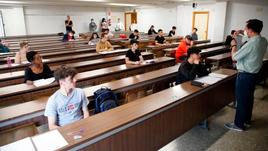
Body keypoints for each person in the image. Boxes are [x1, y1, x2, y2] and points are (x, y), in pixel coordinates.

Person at [224, 19, 268, 132]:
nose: (245, 30)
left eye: (246, 28)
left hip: (245, 75)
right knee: (249, 99)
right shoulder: (263, 40)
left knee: (242, 100)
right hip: (254, 74)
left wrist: (233, 46)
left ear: (251, 30)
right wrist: (241, 33)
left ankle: (238, 124)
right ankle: (247, 120)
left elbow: (235, 57)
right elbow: (249, 39)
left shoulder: (252, 43)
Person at [44, 66, 89, 130]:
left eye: (74, 77)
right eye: (71, 79)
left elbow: (86, 112)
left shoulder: (80, 92)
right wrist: (68, 131)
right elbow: (51, 126)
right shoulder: (53, 100)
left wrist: (85, 124)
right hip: (65, 130)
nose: (75, 80)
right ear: (62, 82)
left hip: (81, 126)